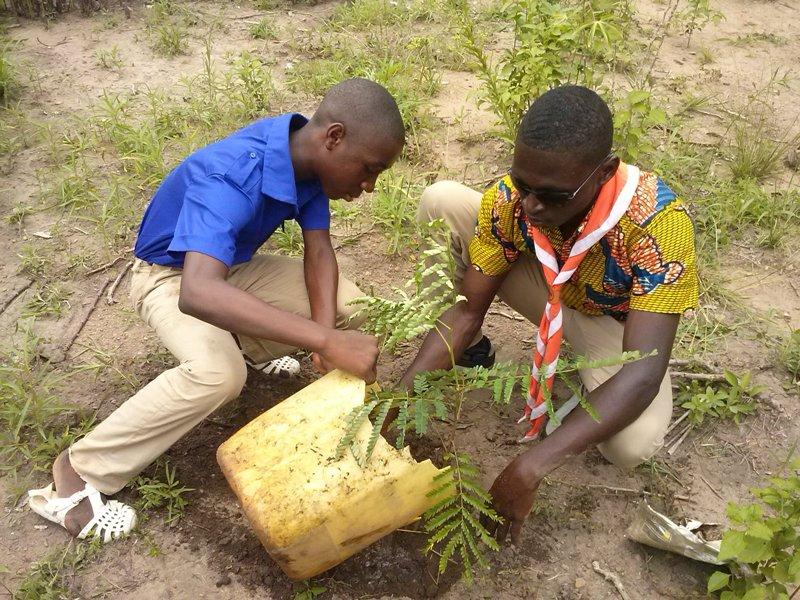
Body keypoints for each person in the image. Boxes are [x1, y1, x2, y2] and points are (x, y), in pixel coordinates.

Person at [28, 78, 405, 542]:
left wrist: (326, 336)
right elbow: (198, 293)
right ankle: (79, 471)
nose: (368, 186)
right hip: (170, 275)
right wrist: (324, 340)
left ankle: (247, 344)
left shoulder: (305, 158)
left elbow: (319, 251)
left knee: (353, 307)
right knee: (218, 374)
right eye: (369, 170)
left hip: (228, 268)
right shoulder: (233, 173)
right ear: (333, 138)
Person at [400, 85, 698, 544]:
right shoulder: (515, 200)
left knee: (631, 446)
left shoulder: (658, 223)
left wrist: (532, 465)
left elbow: (643, 373)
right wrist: (402, 392)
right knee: (443, 200)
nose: (532, 205)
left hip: (613, 326)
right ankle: (474, 355)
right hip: (547, 287)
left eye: (553, 195)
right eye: (524, 185)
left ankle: (586, 386)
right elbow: (467, 311)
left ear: (603, 173)